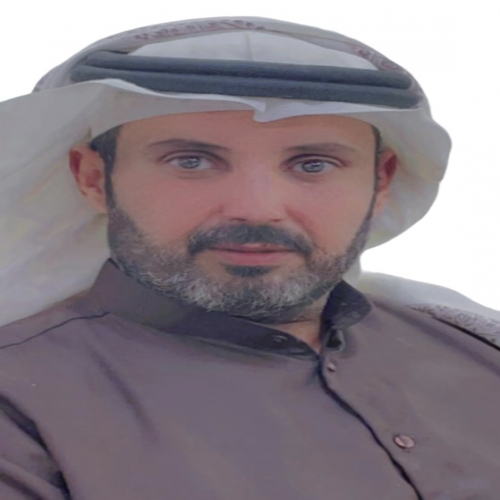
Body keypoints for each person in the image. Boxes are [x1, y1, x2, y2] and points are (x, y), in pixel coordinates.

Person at [0, 16, 499, 500]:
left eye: (313, 164)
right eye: (191, 161)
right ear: (92, 179)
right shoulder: (18, 406)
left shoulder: (474, 350)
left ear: (381, 180)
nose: (257, 209)